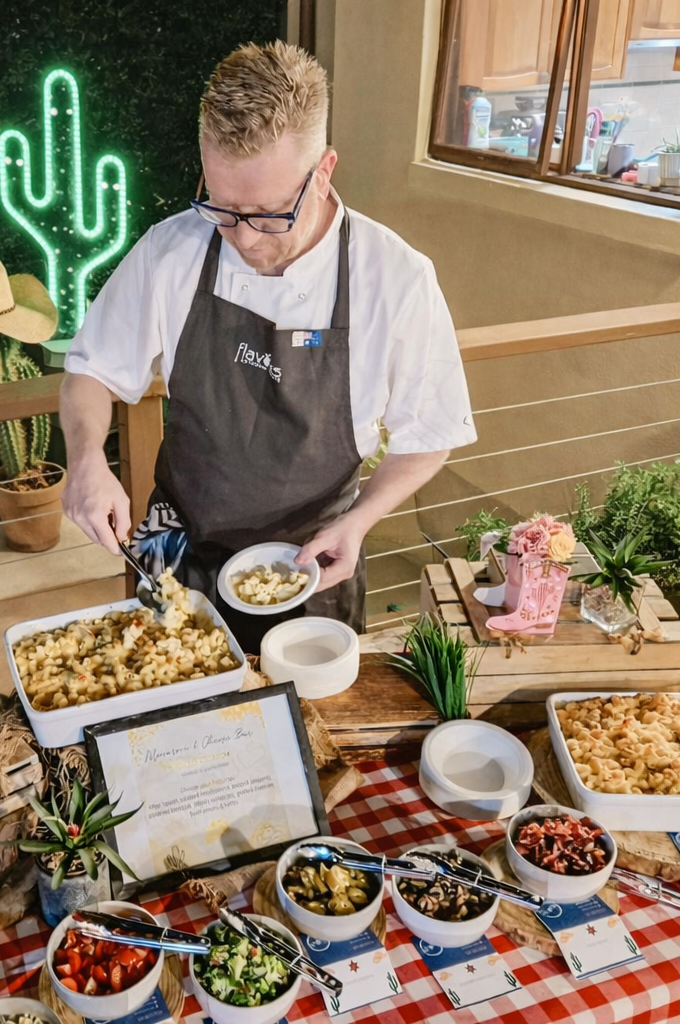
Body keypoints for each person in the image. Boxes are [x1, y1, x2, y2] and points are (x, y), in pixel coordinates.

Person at [60, 41, 476, 653]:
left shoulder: (394, 278)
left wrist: (360, 521)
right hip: (179, 547)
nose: (245, 239)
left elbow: (431, 432)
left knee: (311, 733)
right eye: (221, 208)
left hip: (313, 558)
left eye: (269, 214)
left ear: (325, 169)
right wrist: (87, 459)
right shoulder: (170, 251)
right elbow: (91, 372)